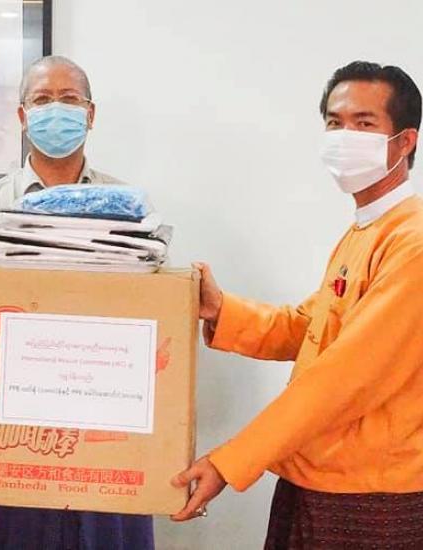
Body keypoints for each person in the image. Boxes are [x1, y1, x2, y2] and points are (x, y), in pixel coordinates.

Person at [172, 61, 423, 547]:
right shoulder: (367, 229)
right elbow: (312, 326)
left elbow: (345, 375)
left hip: (371, 497)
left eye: (364, 123)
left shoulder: (412, 243)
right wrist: (223, 310)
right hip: (316, 473)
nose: (344, 136)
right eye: (334, 122)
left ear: (405, 141)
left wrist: (231, 461)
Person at [0, 56, 155, 550]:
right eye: (42, 100)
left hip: (107, 438)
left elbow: (151, 322)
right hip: (19, 437)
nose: (55, 110)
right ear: (22, 116)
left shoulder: (129, 207)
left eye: (69, 99)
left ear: (91, 114)